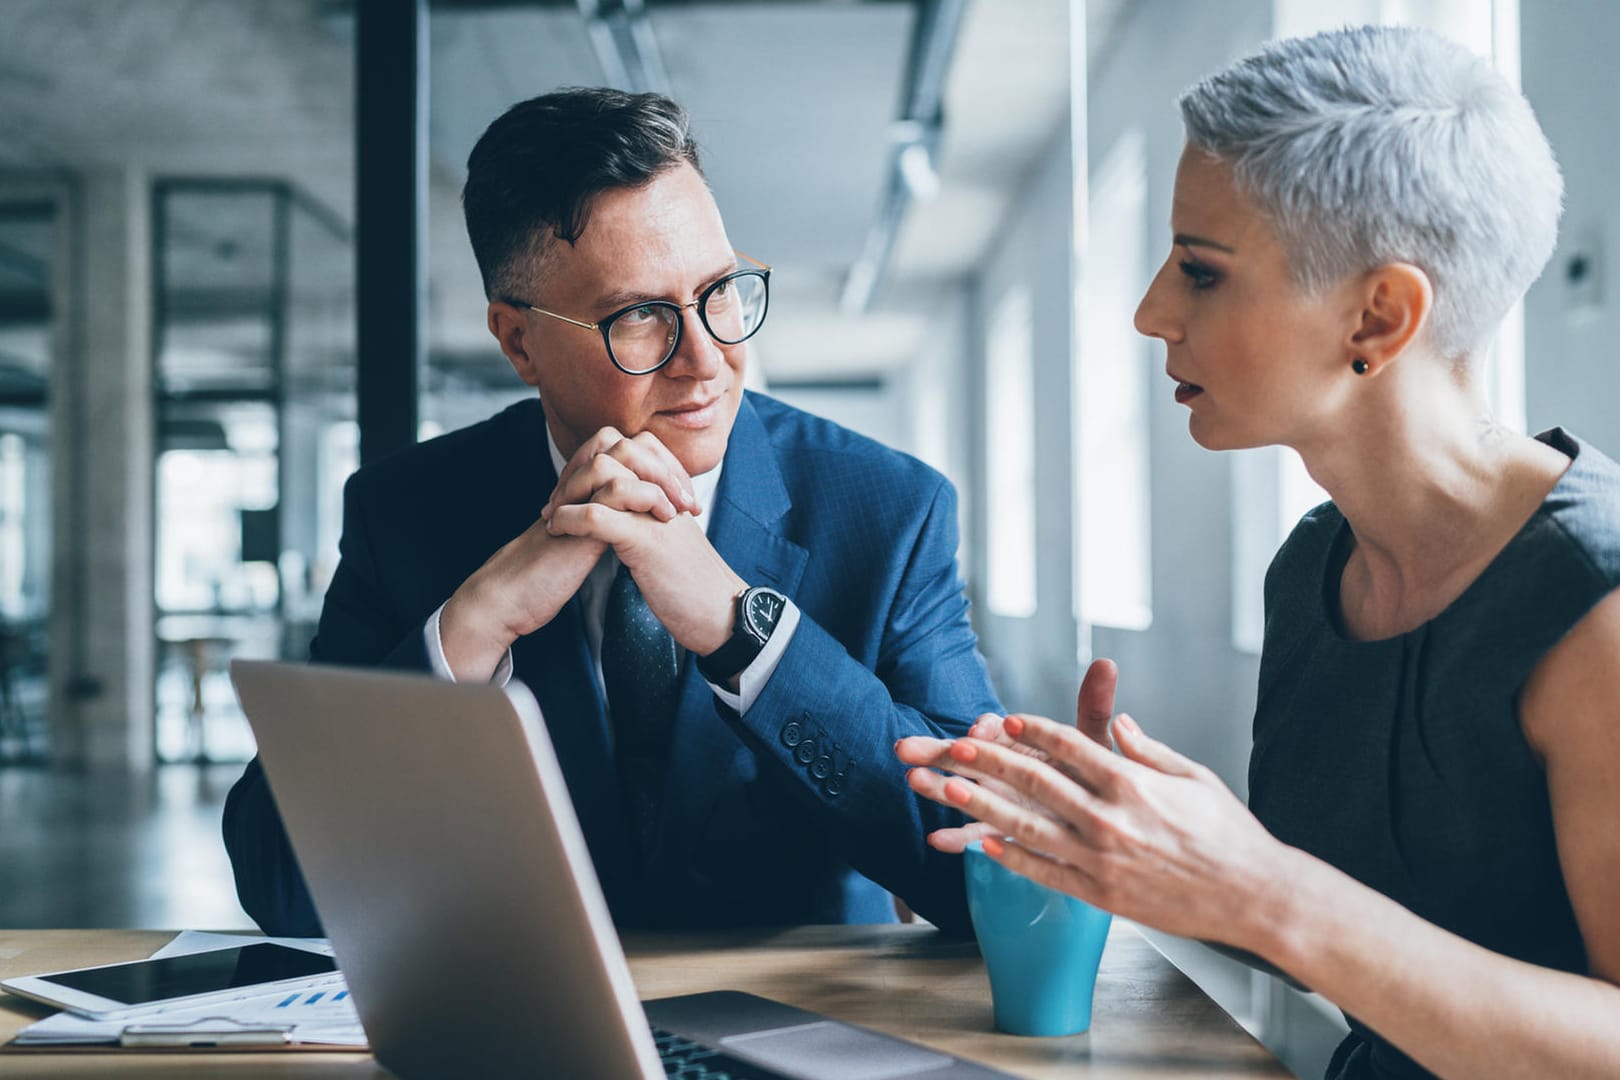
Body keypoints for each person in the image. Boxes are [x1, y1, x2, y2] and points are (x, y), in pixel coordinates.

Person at [899, 25, 1620, 1080]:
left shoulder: (1597, 606)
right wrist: (1139, 844)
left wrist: (1261, 888)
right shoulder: (1315, 567)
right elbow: (1358, 943)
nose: (1151, 313)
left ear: (1379, 314)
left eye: (1200, 271)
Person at [225, 87, 1000, 937]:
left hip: (803, 1032)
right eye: (640, 317)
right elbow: (282, 886)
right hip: (524, 1031)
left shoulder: (890, 510)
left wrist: (748, 635)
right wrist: (473, 627)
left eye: (721, 290)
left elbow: (982, 870)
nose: (708, 360)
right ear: (518, 342)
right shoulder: (406, 513)